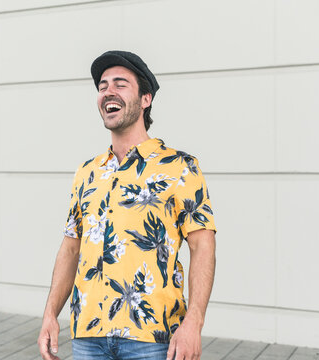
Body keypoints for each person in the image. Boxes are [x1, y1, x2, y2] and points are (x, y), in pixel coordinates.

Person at [38, 50, 217, 360]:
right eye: (103, 85)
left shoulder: (180, 167)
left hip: (153, 339)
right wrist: (50, 314)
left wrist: (194, 324)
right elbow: (70, 248)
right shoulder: (87, 172)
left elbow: (203, 247)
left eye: (121, 84)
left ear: (145, 98)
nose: (108, 90)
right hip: (88, 337)